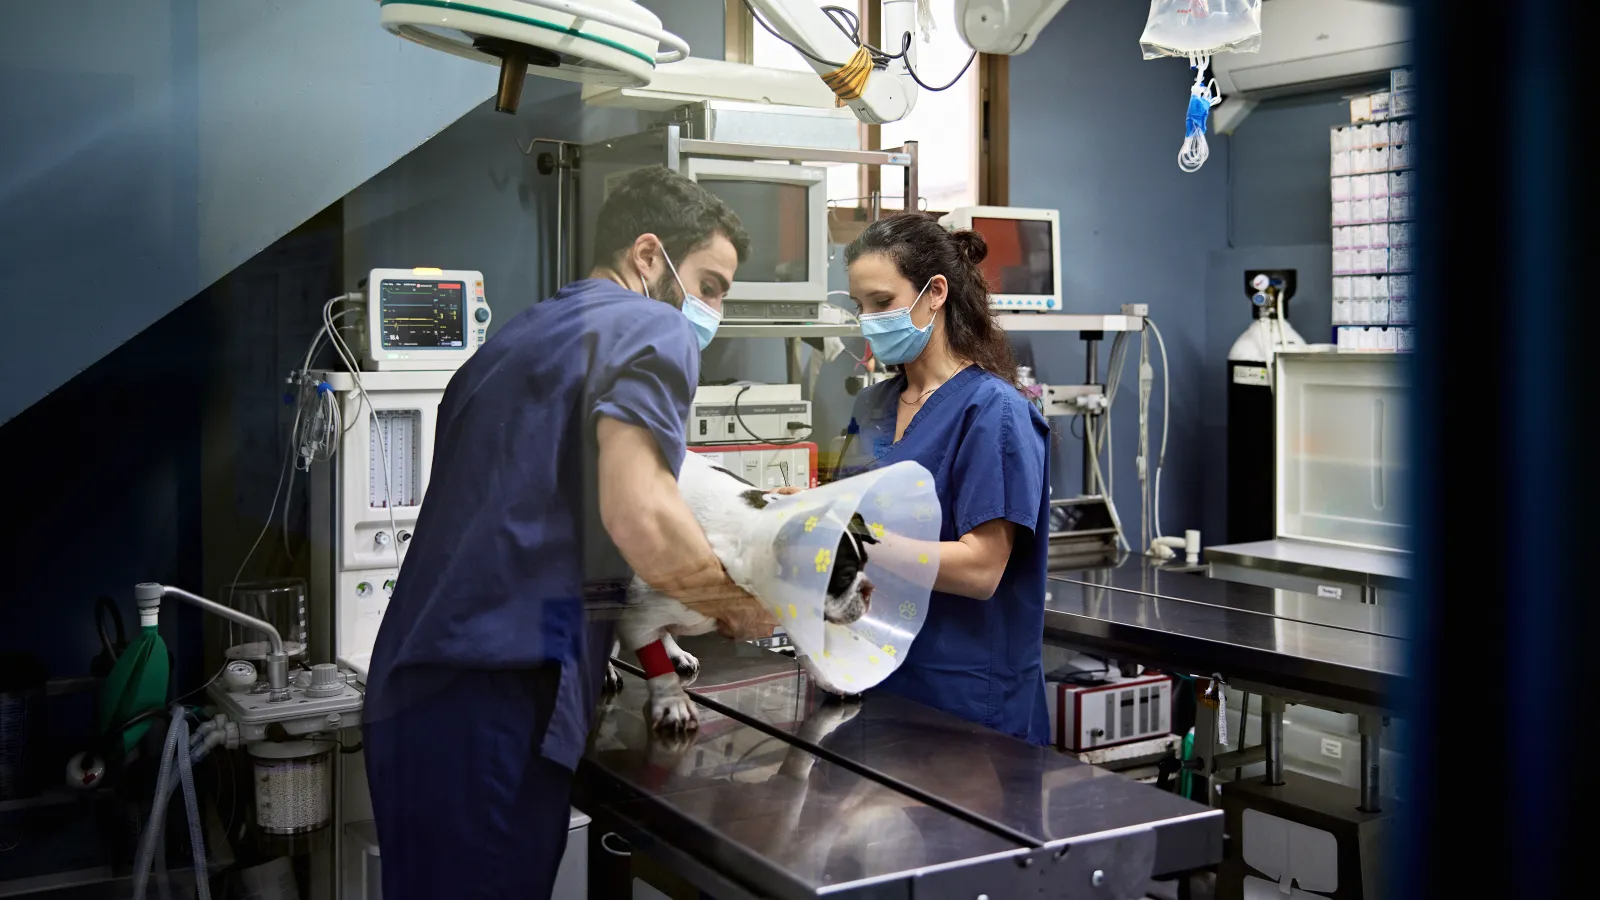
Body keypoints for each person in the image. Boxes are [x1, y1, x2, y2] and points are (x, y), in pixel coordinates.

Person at [361, 165, 777, 899]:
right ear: (648, 256)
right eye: (709, 286)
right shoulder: (650, 326)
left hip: (425, 693)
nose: (712, 311)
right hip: (494, 695)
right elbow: (640, 513)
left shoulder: (522, 336)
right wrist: (736, 604)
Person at [837, 212, 1052, 745]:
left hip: (965, 701)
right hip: (873, 681)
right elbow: (847, 513)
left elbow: (980, 570)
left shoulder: (993, 412)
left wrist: (849, 541)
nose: (867, 321)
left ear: (935, 294)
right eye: (858, 306)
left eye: (882, 303)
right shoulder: (873, 404)